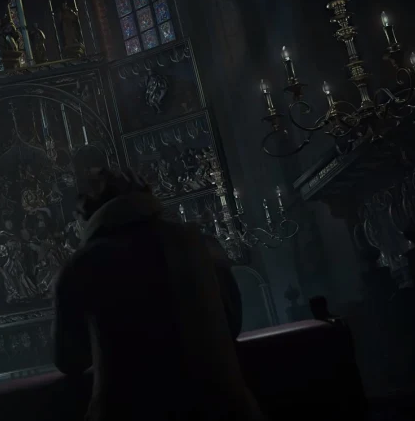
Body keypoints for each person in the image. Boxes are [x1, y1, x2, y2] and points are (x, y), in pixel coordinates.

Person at [52, 167, 263, 421]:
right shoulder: (202, 244)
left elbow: (69, 359)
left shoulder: (81, 265)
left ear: (87, 214)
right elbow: (232, 323)